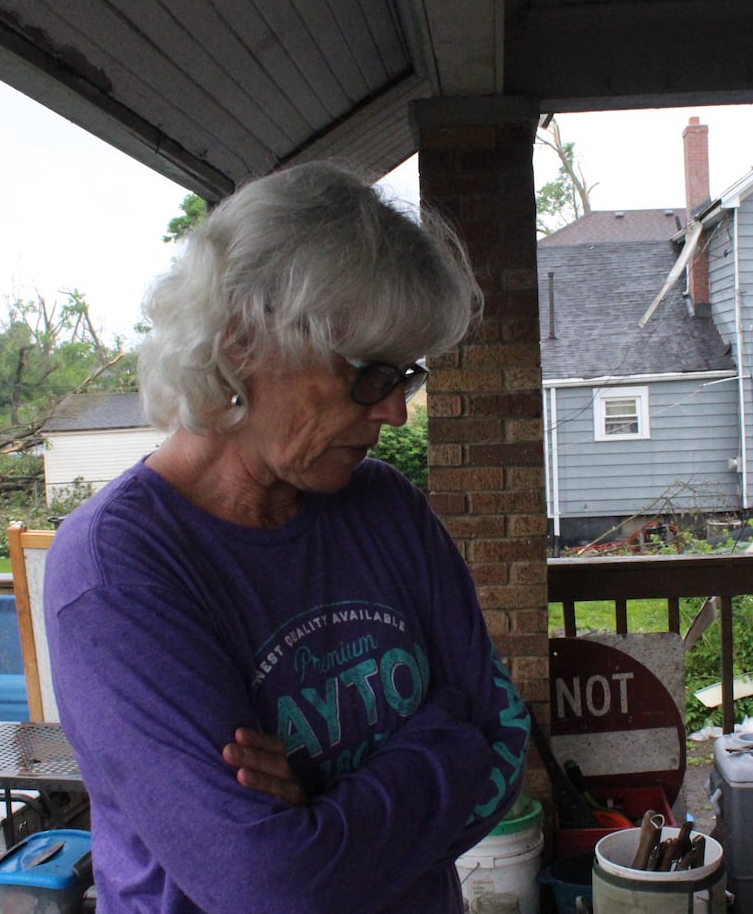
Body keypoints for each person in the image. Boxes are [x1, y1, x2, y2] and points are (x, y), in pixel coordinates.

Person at [44, 161, 531, 913]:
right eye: (371, 375)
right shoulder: (118, 568)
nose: (397, 413)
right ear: (243, 343)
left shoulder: (385, 508)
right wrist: (442, 751)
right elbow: (265, 882)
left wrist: (321, 807)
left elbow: (502, 746)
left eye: (407, 376)